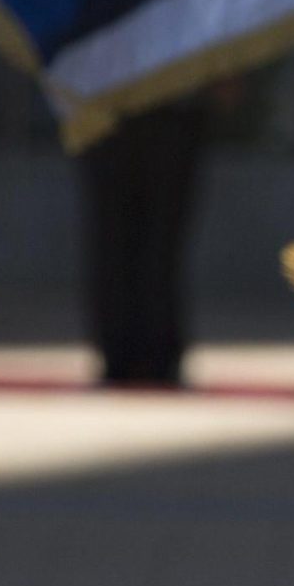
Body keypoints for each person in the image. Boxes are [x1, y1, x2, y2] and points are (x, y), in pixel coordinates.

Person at [80, 91, 211, 386]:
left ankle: (155, 350)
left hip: (165, 109)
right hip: (111, 111)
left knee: (159, 243)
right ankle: (120, 351)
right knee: (115, 238)